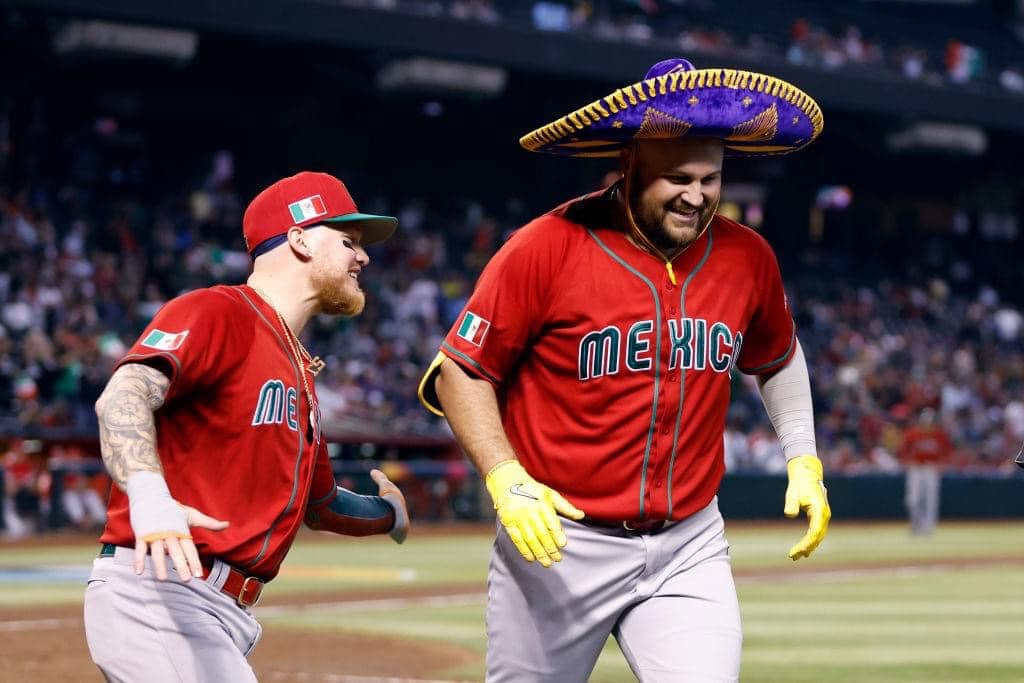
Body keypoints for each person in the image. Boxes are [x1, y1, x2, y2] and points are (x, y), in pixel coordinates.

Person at [419, 58, 831, 682]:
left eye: (711, 179)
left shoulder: (748, 256)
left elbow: (777, 356)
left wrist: (803, 458)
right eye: (677, 178)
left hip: (688, 541)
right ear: (629, 163)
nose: (697, 195)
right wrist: (506, 478)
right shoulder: (546, 245)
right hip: (560, 540)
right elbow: (461, 371)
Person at [85, 171, 411, 682]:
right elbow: (123, 395)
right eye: (348, 241)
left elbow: (321, 504)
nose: (363, 257)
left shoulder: (297, 368)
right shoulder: (219, 311)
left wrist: (389, 515)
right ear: (300, 240)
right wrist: (148, 494)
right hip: (162, 591)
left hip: (212, 608)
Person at [899, 407, 952, 535]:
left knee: (931, 499)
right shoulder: (912, 434)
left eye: (930, 422)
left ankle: (928, 527)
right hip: (916, 469)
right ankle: (917, 524)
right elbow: (903, 451)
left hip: (931, 469)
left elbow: (947, 452)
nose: (928, 424)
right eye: (925, 421)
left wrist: (942, 465)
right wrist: (907, 462)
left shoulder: (939, 435)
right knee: (912, 500)